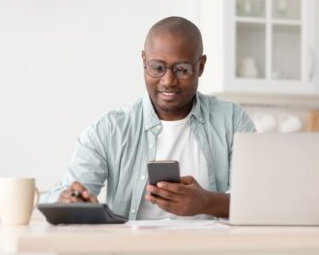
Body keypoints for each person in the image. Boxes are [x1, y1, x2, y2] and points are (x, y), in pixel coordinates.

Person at [46, 16, 256, 220]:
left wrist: (206, 202)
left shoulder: (232, 121)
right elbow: (64, 194)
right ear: (144, 61)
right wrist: (69, 201)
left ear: (200, 66)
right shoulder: (111, 128)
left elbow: (256, 203)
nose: (168, 81)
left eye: (182, 69)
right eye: (157, 68)